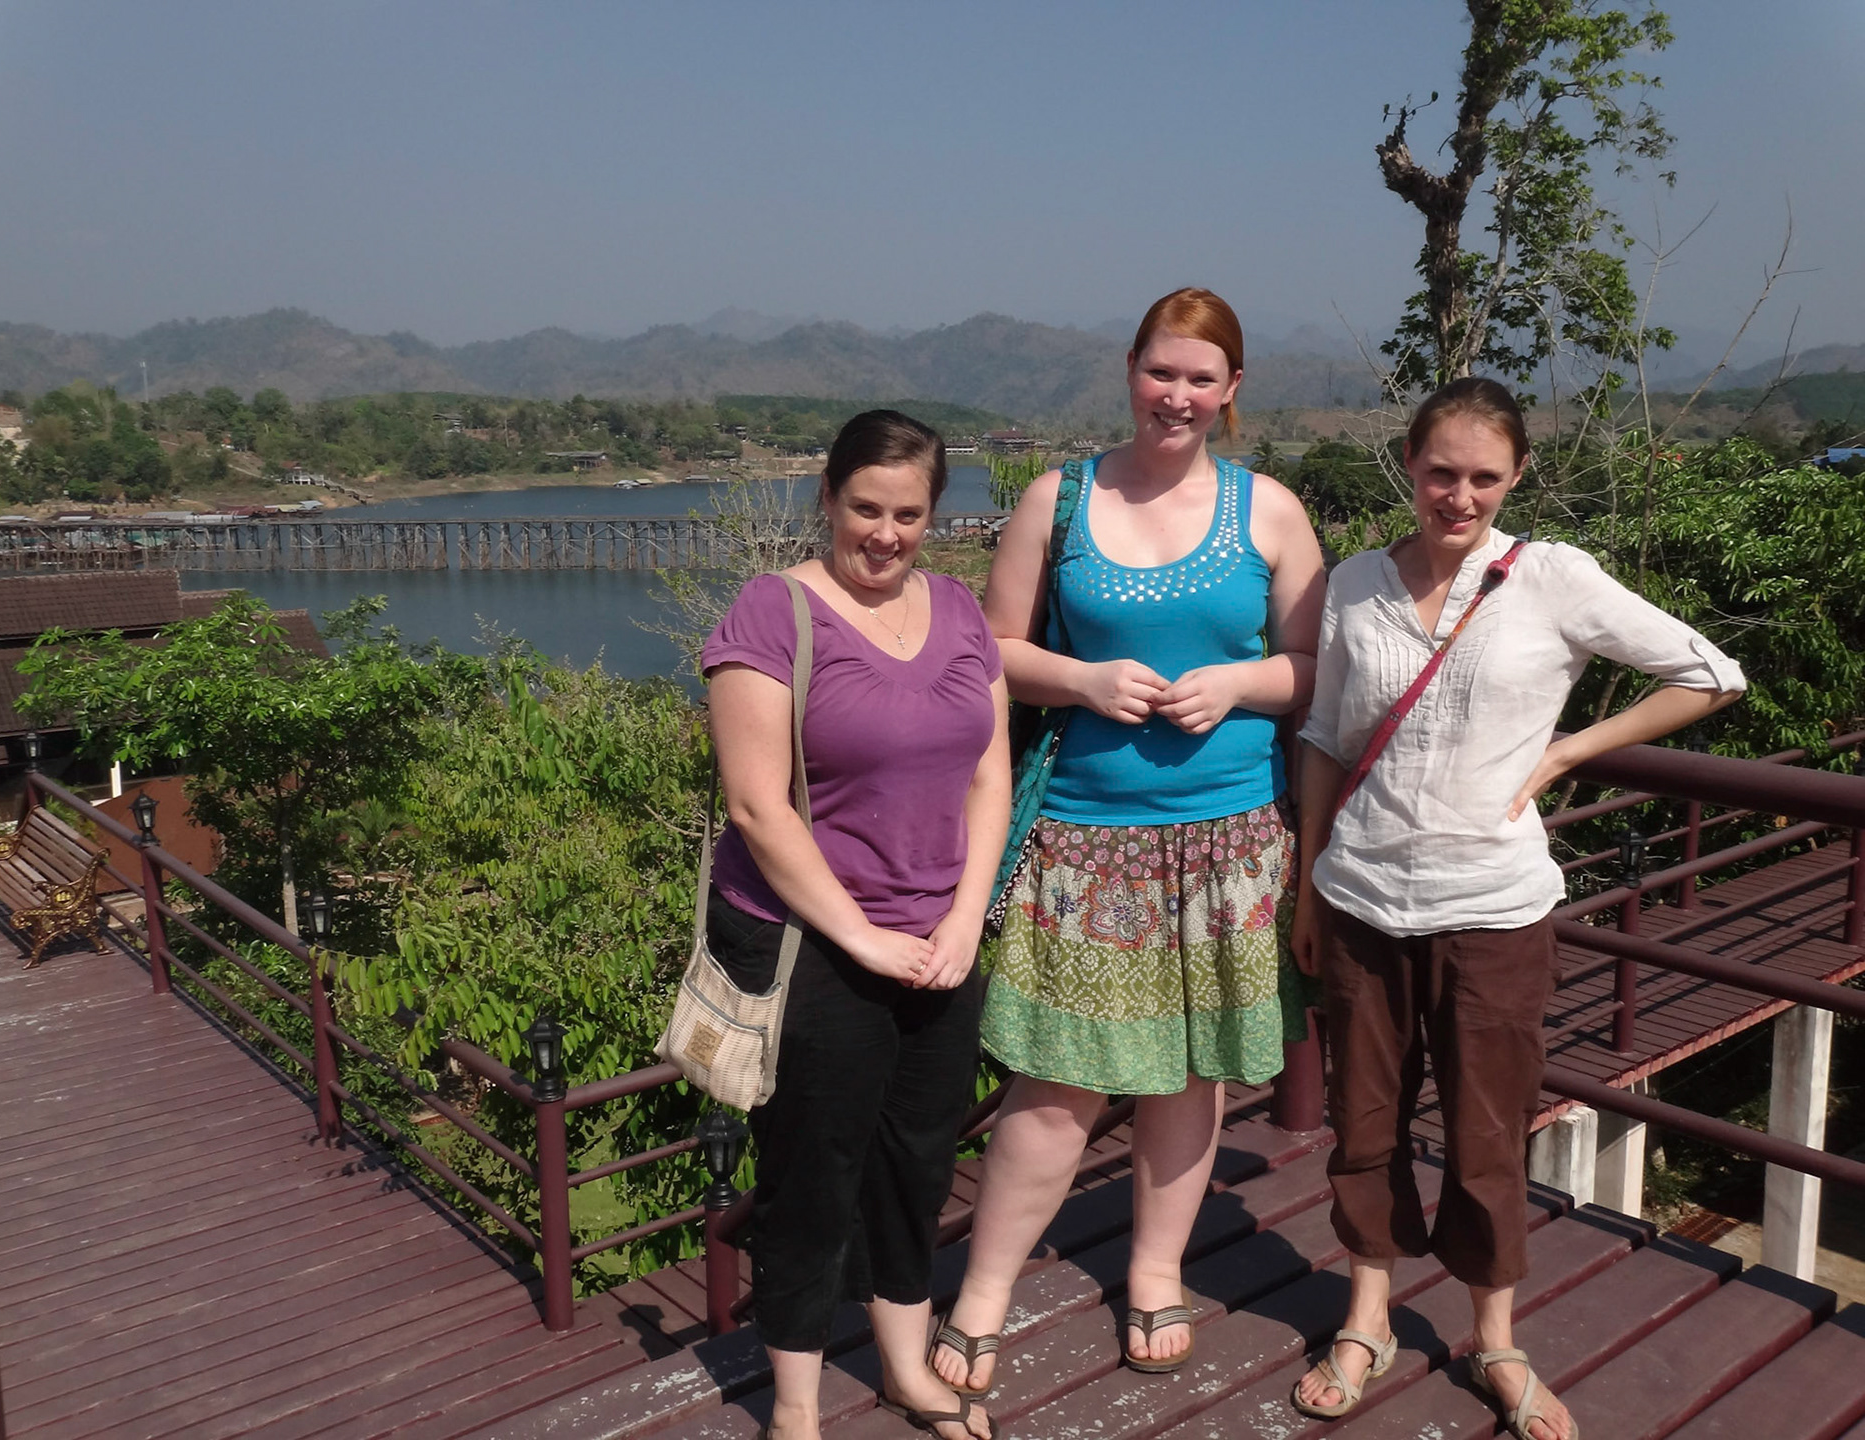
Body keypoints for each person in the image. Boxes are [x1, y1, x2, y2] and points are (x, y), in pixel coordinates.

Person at [1287, 378, 1745, 1440]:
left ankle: (1495, 1338)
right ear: (1408, 462)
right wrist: (1309, 881)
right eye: (1441, 472)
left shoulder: (1551, 578)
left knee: (1487, 1132)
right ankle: (1367, 1317)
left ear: (1517, 477)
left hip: (1494, 907)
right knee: (1364, 1123)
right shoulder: (1356, 582)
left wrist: (1573, 750)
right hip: (1359, 897)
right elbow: (1325, 739)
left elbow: (1709, 672)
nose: (1459, 496)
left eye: (1484, 478)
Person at [929, 287, 1326, 1389]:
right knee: (1057, 1084)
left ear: (1232, 390)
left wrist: (1240, 681)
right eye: (1163, 373)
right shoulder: (1057, 501)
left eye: (1203, 378)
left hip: (1230, 843)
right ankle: (985, 1291)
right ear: (1131, 371)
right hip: (1085, 835)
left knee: (1188, 1076)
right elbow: (991, 646)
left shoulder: (1272, 512)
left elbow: (1311, 670)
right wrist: (1082, 678)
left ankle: (1156, 1273)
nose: (1179, 396)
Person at [702, 409, 1011, 1440]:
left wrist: (968, 917)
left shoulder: (962, 613)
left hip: (940, 940)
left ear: (935, 516)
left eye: (909, 514)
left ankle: (907, 1365)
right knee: (811, 1171)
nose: (885, 533)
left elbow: (989, 773)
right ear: (828, 498)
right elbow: (756, 805)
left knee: (919, 1160)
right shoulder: (773, 612)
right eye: (865, 508)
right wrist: (863, 937)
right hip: (812, 944)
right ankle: (796, 1404)